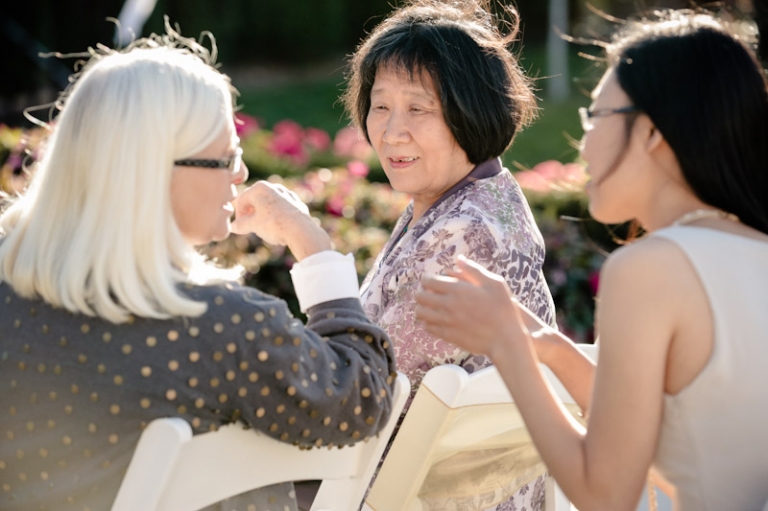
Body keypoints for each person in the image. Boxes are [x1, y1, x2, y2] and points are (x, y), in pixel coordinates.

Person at [0, 23, 396, 511]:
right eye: (227, 156)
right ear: (155, 168)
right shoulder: (221, 328)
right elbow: (361, 398)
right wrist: (313, 246)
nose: (241, 173)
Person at [415, 9, 768, 511]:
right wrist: (549, 347)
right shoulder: (752, 250)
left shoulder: (650, 268)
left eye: (596, 117)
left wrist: (506, 344)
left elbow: (605, 494)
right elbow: (693, 424)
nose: (583, 144)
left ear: (652, 132)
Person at [342, 0, 556, 508]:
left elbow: (352, 393)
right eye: (380, 105)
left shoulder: (464, 236)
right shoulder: (480, 197)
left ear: (471, 111)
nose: (392, 131)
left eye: (418, 108)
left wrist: (310, 252)